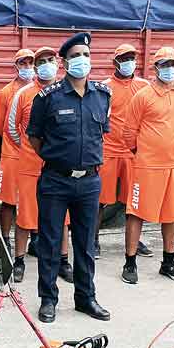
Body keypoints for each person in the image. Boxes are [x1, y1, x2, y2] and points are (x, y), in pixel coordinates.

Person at [26, 32, 111, 323]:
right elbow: (35, 138)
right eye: (75, 56)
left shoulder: (102, 95)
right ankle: (48, 299)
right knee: (50, 242)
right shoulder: (47, 98)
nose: (82, 60)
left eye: (86, 55)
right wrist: (58, 160)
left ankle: (85, 298)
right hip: (56, 180)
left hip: (89, 181)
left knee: (86, 243)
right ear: (64, 62)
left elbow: (102, 134)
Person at [123, 46, 174, 284]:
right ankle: (130, 262)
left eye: (172, 64)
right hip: (147, 167)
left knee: (172, 215)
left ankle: (168, 261)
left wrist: (170, 147)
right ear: (155, 68)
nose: (169, 69)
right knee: (136, 214)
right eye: (164, 64)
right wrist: (145, 152)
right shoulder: (142, 96)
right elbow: (129, 132)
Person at [8, 46, 74, 285]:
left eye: (50, 60)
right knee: (25, 217)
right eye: (41, 61)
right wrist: (32, 149)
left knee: (63, 218)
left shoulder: (66, 92)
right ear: (35, 67)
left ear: (57, 64)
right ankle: (19, 261)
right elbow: (13, 129)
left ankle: (63, 261)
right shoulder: (24, 94)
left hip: (59, 168)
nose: (46, 64)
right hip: (29, 167)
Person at [98, 44, 151, 260]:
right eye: (124, 58)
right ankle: (93, 241)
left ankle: (134, 240)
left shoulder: (145, 87)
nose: (129, 62)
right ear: (115, 62)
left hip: (134, 153)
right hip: (108, 151)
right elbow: (97, 120)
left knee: (134, 200)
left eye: (132, 57)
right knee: (99, 200)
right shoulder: (104, 88)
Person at [0, 49, 35, 249]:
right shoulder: (7, 92)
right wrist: (21, 143)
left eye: (30, 63)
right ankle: (5, 239)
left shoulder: (42, 90)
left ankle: (35, 238)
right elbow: (1, 125)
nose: (27, 67)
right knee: (8, 200)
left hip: (36, 156)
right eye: (23, 63)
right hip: (12, 153)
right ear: (16, 66)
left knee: (36, 198)